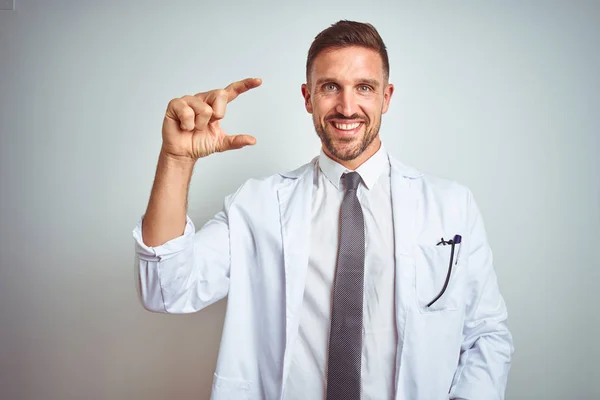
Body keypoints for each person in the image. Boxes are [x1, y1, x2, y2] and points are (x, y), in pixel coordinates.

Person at [133, 20, 514, 400]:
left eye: (364, 87)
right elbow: (166, 288)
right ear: (307, 97)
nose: (347, 107)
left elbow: (485, 334)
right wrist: (177, 158)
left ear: (386, 97)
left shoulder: (451, 206)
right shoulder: (257, 206)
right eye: (330, 87)